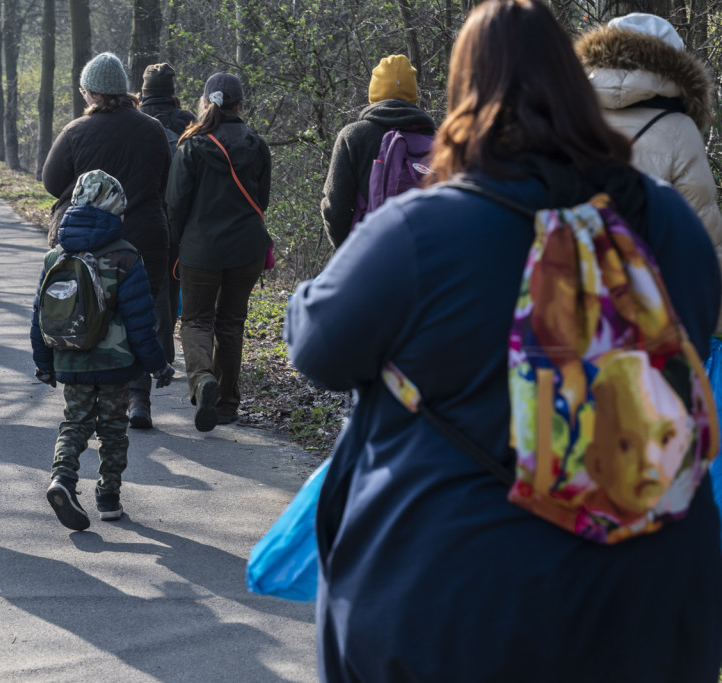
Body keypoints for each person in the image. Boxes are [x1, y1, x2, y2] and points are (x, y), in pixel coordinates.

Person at [284, 0, 722, 680]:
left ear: (465, 96)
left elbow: (319, 348)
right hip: (646, 595)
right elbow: (697, 319)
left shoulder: (424, 228)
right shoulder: (665, 217)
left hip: (457, 594)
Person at [31, 170, 174, 531]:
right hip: (116, 363)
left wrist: (44, 363)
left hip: (70, 358)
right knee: (112, 428)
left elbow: (40, 316)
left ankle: (62, 478)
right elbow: (141, 320)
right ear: (116, 213)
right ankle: (109, 497)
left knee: (74, 422)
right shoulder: (125, 256)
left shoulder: (55, 257)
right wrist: (158, 364)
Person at [43, 52, 172, 431]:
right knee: (142, 312)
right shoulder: (153, 129)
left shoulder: (76, 131)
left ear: (91, 92)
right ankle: (139, 400)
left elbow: (51, 182)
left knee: (90, 306)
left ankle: (92, 396)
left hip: (90, 241)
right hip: (145, 233)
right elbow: (165, 180)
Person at [576, 13, 722, 333]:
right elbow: (703, 236)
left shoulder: (569, 118)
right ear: (676, 66)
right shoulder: (679, 129)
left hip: (575, 298)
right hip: (652, 312)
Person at [166, 72, 271, 432]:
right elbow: (262, 200)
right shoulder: (257, 144)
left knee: (196, 321)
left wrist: (181, 241)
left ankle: (202, 380)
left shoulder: (191, 145)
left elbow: (175, 203)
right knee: (231, 323)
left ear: (205, 102)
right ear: (241, 104)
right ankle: (226, 404)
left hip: (201, 250)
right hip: (247, 249)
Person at [320, 54, 436, 249]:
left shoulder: (354, 136)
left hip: (374, 251)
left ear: (374, 93)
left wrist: (349, 253)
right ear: (413, 94)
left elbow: (335, 208)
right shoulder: (439, 140)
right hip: (429, 253)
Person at [139, 62, 197, 418]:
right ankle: (164, 352)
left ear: (144, 90)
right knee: (169, 284)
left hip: (140, 212)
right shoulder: (186, 120)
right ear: (172, 90)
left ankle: (138, 348)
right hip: (175, 216)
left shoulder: (136, 118)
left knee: (136, 283)